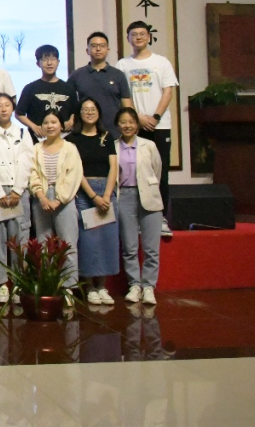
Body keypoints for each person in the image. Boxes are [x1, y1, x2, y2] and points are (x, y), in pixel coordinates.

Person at [116, 20, 178, 238]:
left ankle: (160, 218)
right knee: (133, 172)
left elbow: (168, 92)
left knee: (160, 173)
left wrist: (155, 117)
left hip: (159, 125)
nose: (138, 37)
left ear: (149, 37)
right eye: (134, 34)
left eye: (142, 34)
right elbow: (122, 96)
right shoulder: (122, 65)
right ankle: (137, 219)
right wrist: (137, 118)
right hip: (133, 126)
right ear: (128, 38)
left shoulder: (161, 62)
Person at [0, 93, 33, 304]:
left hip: (19, 192)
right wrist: (0, 193)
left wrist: (18, 190)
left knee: (20, 239)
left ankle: (19, 284)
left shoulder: (23, 132)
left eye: (7, 105)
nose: (3, 109)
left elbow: (27, 161)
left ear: (13, 108)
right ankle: (2, 285)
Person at [67, 97, 120, 305]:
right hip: (85, 193)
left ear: (98, 112)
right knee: (89, 241)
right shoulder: (73, 139)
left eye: (93, 109)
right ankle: (89, 286)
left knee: (107, 239)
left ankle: (102, 286)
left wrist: (106, 195)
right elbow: (77, 170)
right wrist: (93, 196)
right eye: (85, 109)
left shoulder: (107, 137)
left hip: (107, 191)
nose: (89, 112)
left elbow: (113, 167)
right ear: (79, 114)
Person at [27, 110, 84, 305]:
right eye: (46, 122)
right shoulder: (36, 149)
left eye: (54, 122)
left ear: (61, 125)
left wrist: (58, 200)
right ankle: (48, 286)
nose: (50, 126)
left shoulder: (70, 149)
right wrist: (42, 197)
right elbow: (32, 173)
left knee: (68, 245)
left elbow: (73, 176)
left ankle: (68, 289)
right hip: (41, 199)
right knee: (44, 246)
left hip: (64, 201)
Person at [114, 106, 164, 305]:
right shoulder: (113, 146)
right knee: (130, 246)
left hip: (149, 196)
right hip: (124, 197)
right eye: (123, 122)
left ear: (137, 124)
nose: (127, 125)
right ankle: (134, 285)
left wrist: (148, 187)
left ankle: (149, 286)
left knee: (151, 248)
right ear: (118, 125)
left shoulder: (148, 145)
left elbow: (157, 171)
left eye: (131, 122)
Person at [68, 32, 133, 139]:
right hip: (85, 133)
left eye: (102, 46)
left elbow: (127, 106)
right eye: (94, 46)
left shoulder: (118, 75)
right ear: (87, 50)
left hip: (114, 133)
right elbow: (68, 102)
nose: (98, 49)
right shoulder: (77, 75)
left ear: (108, 50)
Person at [17, 44, 77, 139]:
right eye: (45, 59)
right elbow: (19, 113)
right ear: (38, 63)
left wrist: (71, 121)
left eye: (53, 59)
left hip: (64, 138)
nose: (49, 63)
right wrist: (33, 126)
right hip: (38, 138)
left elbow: (75, 110)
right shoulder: (30, 88)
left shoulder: (68, 88)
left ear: (58, 62)